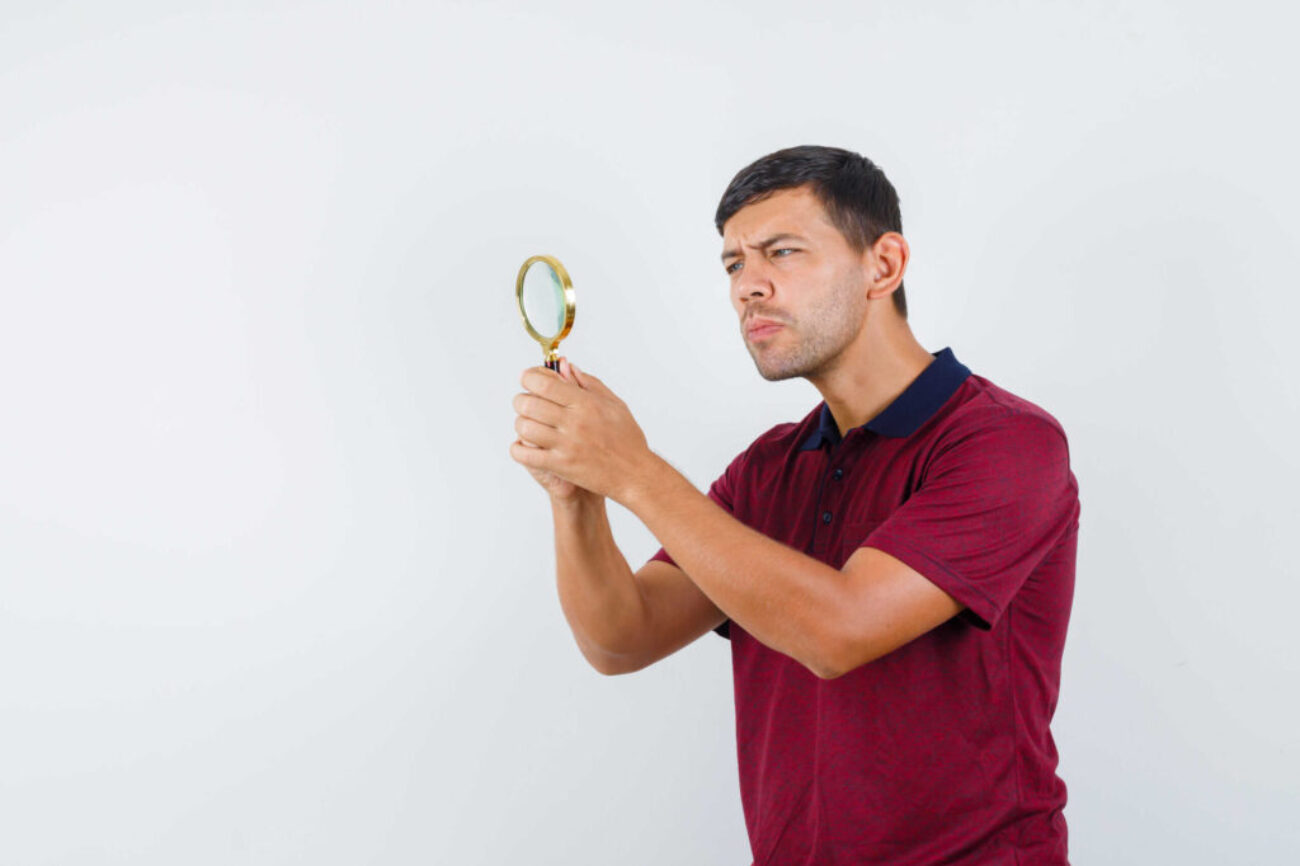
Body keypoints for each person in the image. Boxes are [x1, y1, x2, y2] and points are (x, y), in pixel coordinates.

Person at [509, 145, 1080, 865]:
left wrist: (632, 470)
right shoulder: (767, 469)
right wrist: (578, 496)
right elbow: (621, 638)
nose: (749, 286)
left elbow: (838, 632)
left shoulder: (1004, 442)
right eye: (734, 264)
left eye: (782, 252)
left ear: (884, 265)